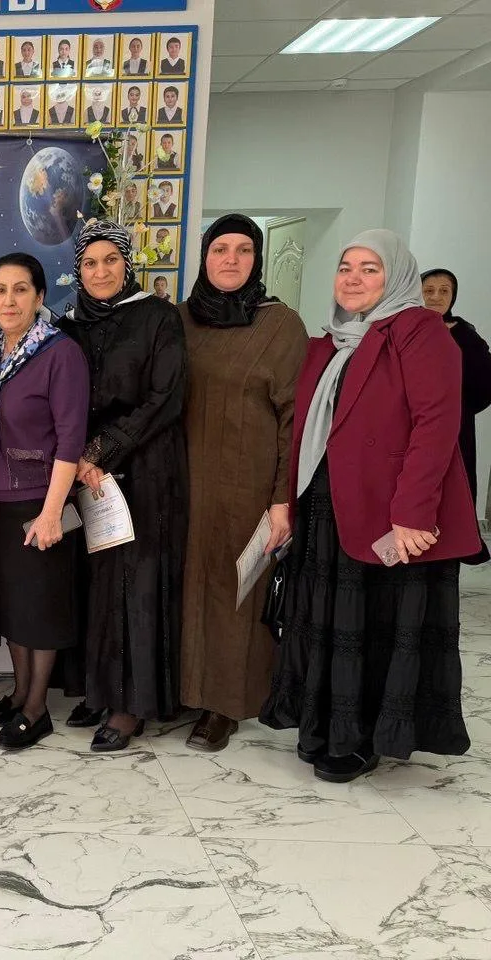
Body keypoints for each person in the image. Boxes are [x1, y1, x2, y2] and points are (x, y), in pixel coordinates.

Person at [261, 230, 479, 782]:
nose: (353, 278)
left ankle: (361, 738)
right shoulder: (329, 343)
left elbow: (436, 426)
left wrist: (412, 512)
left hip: (389, 513)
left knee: (375, 625)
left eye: (369, 268)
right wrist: (285, 501)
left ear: (396, 276)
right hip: (327, 505)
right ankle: (324, 726)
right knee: (330, 620)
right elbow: (305, 433)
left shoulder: (420, 332)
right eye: (345, 267)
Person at [179, 215, 308, 752]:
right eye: (219, 249)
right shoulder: (181, 319)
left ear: (257, 259)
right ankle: (185, 690)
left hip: (248, 485)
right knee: (188, 588)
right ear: (204, 257)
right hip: (184, 482)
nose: (230, 259)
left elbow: (294, 422)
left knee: (235, 593)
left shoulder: (281, 326)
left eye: (243, 250)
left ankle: (225, 705)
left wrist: (282, 501)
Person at [62, 220, 188, 751]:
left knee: (135, 584)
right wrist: (80, 457)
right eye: (89, 263)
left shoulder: (158, 316)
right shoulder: (69, 325)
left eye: (110, 260)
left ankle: (130, 703)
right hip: (84, 473)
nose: (100, 271)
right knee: (93, 582)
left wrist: (102, 450)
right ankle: (97, 688)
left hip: (145, 467)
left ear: (127, 264)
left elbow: (166, 396)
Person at [0, 253, 89, 751]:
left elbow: (71, 439)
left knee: (39, 609)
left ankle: (37, 710)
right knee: (10, 605)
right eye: (0, 290)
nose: (9, 300)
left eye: (21, 289)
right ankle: (19, 693)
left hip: (39, 501)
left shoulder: (61, 353)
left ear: (39, 297)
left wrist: (51, 512)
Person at [422, 268, 491, 564]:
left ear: (453, 295)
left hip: (454, 429)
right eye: (429, 290)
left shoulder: (466, 336)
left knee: (452, 487)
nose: (436, 297)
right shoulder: (404, 329)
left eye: (444, 290)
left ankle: (452, 546)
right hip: (409, 425)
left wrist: (456, 408)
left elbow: (485, 384)